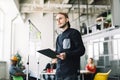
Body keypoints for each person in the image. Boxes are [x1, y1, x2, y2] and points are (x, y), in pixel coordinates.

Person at [55, 12, 85, 80]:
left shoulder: (74, 33)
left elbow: (81, 50)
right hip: (59, 73)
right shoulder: (58, 37)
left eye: (60, 18)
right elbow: (57, 52)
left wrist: (66, 54)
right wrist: (54, 56)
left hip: (70, 74)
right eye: (57, 20)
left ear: (67, 19)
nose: (58, 21)